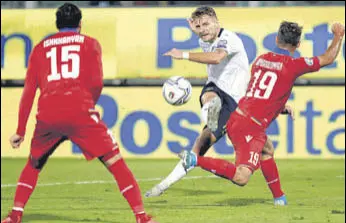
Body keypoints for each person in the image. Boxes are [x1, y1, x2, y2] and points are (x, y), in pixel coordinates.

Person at [2, 3, 158, 223]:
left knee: (33, 165)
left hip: (48, 114)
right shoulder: (90, 44)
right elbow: (96, 83)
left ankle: (15, 215)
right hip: (80, 112)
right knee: (115, 162)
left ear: (57, 25)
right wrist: (86, 108)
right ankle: (142, 217)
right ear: (80, 24)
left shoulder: (39, 48)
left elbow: (29, 92)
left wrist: (20, 130)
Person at [180, 21, 345, 201]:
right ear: (298, 45)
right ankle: (194, 159)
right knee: (241, 177)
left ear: (276, 39)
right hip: (251, 126)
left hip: (238, 115)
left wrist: (280, 107)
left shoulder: (261, 60)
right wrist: (338, 35)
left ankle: (279, 198)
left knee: (266, 151)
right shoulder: (293, 65)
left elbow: (259, 93)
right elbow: (327, 58)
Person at [146, 6, 289, 205]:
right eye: (198, 26)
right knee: (210, 97)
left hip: (236, 106)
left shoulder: (227, 39)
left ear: (217, 22)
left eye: (206, 24)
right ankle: (162, 185)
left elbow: (217, 57)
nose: (202, 29)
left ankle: (211, 115)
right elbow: (207, 36)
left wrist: (183, 54)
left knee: (264, 150)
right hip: (219, 93)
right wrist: (197, 30)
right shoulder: (204, 39)